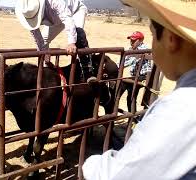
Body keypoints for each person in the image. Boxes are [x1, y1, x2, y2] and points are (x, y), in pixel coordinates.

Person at [82, 0, 196, 179]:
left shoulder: (179, 109)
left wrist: (89, 164)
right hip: (132, 77)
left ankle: (132, 115)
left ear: (170, 39)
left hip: (137, 78)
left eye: (152, 33)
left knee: (131, 96)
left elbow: (116, 175)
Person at [15, 0, 93, 80]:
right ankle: (47, 71)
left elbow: (67, 19)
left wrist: (71, 42)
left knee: (78, 34)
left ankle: (89, 72)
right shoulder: (28, 12)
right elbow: (38, 38)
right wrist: (45, 55)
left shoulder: (54, 2)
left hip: (75, 11)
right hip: (56, 20)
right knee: (44, 41)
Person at [120, 31, 152, 113]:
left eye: (134, 40)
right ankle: (132, 117)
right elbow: (124, 60)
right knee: (130, 94)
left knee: (124, 87)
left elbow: (130, 61)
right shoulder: (132, 49)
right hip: (136, 76)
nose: (131, 42)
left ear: (140, 40)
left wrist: (118, 67)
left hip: (143, 76)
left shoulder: (143, 49)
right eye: (131, 40)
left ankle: (132, 117)